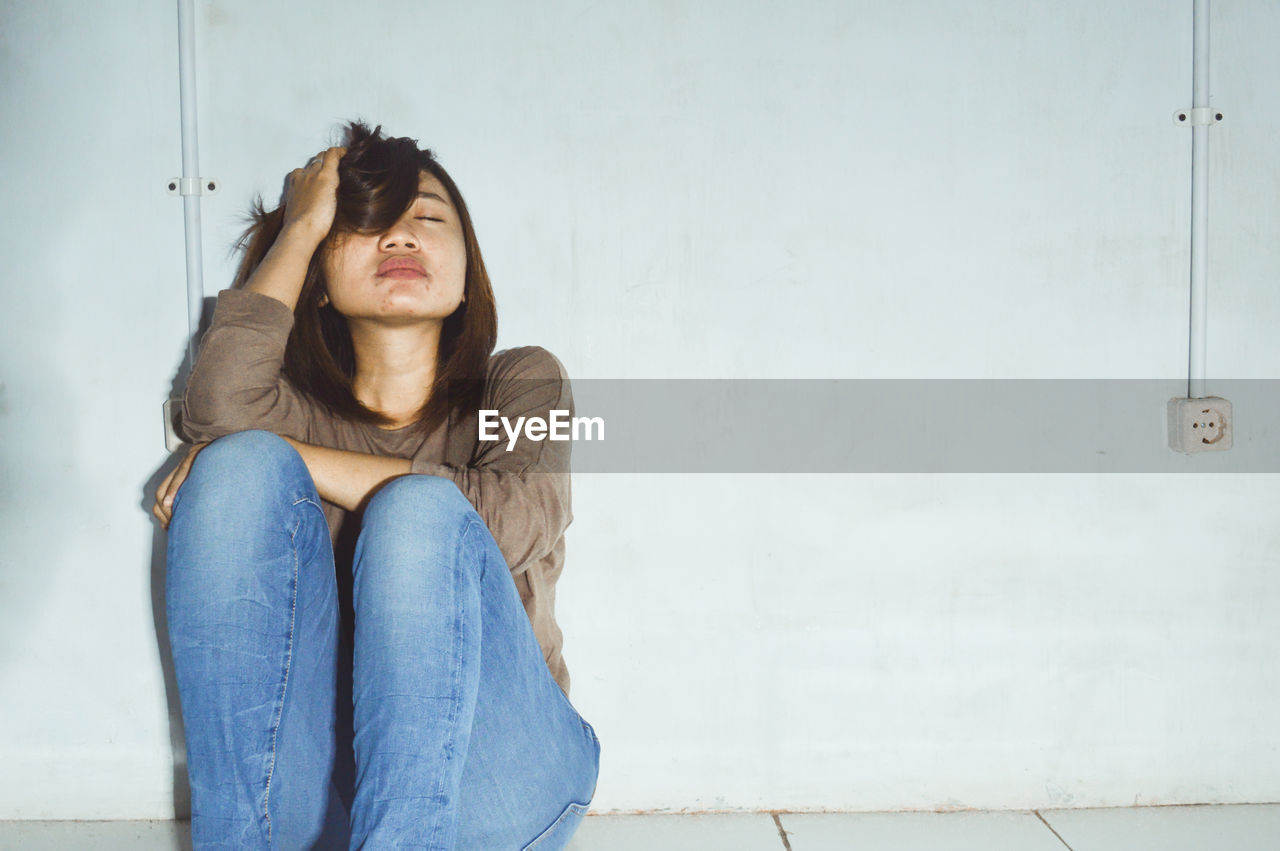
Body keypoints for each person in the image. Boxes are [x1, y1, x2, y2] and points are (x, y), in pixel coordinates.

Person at [152, 121, 599, 850]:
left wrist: (286, 453)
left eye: (427, 216)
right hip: (328, 791)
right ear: (317, 283)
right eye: (365, 226)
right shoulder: (289, 411)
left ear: (465, 277)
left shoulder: (522, 381)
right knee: (236, 469)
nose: (400, 238)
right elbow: (218, 407)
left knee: (420, 512)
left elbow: (519, 515)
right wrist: (300, 227)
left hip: (503, 779)